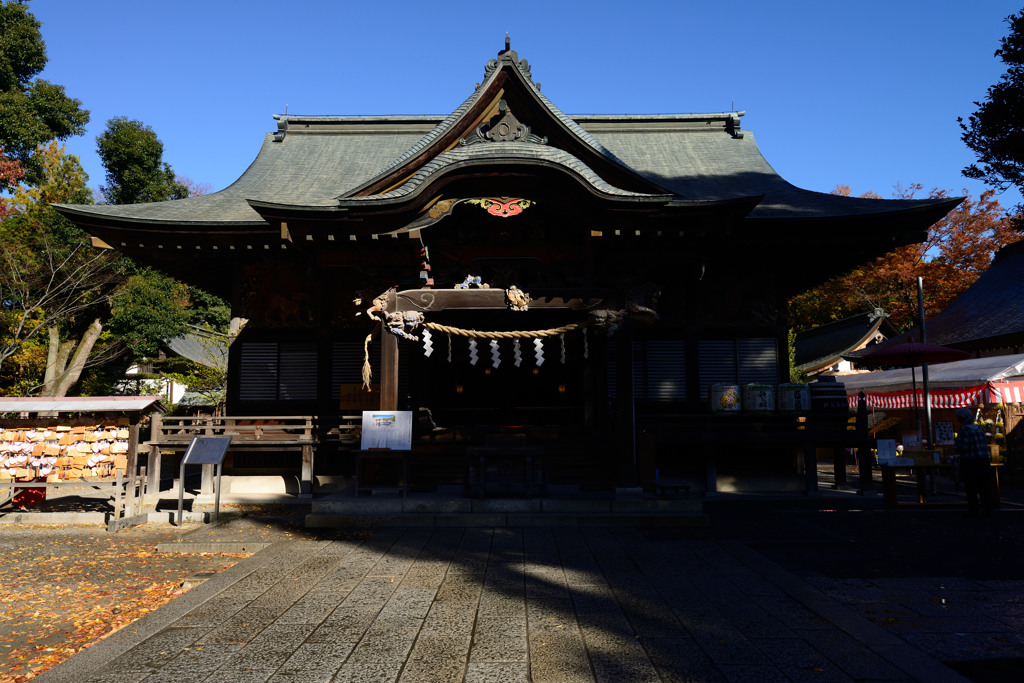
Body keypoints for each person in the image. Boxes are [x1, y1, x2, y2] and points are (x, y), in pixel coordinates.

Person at [955, 407, 995, 517]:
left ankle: (974, 510)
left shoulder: (964, 430)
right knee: (984, 487)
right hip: (983, 461)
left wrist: (956, 446)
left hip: (970, 462)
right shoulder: (978, 429)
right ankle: (988, 509)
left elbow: (963, 447)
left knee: (971, 488)